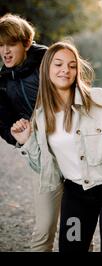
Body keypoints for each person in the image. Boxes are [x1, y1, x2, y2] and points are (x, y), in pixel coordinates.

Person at [11, 41, 102, 252]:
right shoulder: (40, 116)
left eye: (72, 65)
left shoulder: (97, 98)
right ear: (47, 69)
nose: (65, 70)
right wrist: (26, 141)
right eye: (58, 64)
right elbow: (44, 168)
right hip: (76, 195)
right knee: (71, 248)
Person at [0, 13, 62, 252]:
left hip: (73, 149)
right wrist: (18, 136)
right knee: (44, 228)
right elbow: (5, 124)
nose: (5, 51)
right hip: (41, 155)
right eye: (1, 45)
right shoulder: (2, 81)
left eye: (11, 44)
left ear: (26, 43)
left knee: (75, 225)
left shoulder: (49, 61)